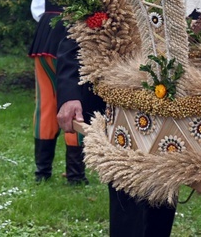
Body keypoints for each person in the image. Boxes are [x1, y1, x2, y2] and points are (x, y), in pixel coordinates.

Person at [55, 22, 177, 236]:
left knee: (164, 188)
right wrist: (70, 94)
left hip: (170, 99)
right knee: (127, 192)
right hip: (119, 103)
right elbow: (75, 37)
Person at [29, 0, 86, 184]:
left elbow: (36, 9)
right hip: (73, 37)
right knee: (76, 100)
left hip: (45, 37)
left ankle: (42, 172)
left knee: (45, 104)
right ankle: (75, 175)